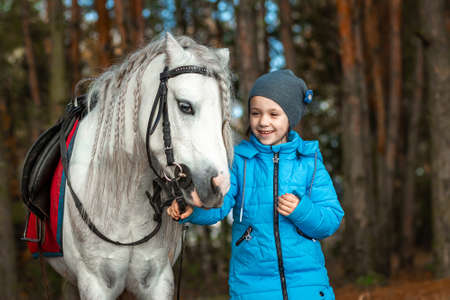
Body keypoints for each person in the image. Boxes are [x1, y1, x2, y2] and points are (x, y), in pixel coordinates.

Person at [167, 70, 344, 300]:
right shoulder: (240, 161)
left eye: (274, 114)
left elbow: (330, 219)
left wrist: (302, 210)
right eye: (255, 113)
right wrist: (194, 210)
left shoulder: (308, 161)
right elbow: (220, 207)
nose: (263, 121)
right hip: (252, 286)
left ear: (290, 116)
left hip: (308, 286)